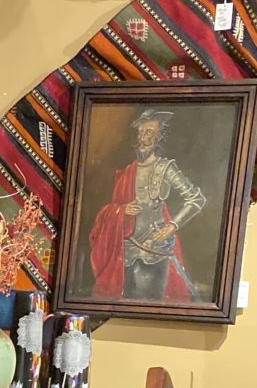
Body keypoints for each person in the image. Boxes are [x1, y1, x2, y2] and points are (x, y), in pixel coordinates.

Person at [87, 110, 205, 302]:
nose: (143, 138)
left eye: (149, 132)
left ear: (159, 137)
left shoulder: (165, 168)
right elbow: (111, 208)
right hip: (125, 251)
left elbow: (196, 199)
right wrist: (121, 210)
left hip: (154, 251)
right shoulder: (126, 172)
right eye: (141, 133)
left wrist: (172, 225)